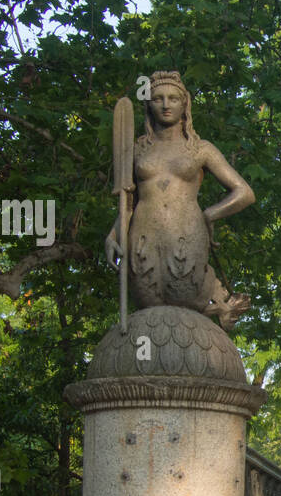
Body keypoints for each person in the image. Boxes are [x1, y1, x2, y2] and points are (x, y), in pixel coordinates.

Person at [106, 70, 254, 328]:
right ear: (148, 104)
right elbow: (126, 204)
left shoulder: (200, 149)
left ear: (185, 104)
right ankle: (219, 308)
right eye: (158, 98)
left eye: (173, 98)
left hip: (187, 234)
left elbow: (244, 192)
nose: (165, 105)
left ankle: (218, 306)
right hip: (143, 237)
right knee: (150, 311)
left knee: (184, 304)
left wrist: (210, 214)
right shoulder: (138, 149)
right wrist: (113, 236)